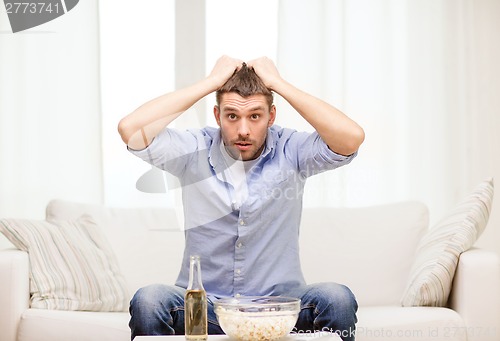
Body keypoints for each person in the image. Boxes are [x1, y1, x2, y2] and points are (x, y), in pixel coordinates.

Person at [118, 55, 365, 341]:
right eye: (232, 116)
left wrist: (278, 84)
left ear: (271, 116)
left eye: (255, 116)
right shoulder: (193, 149)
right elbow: (130, 129)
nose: (243, 130)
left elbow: (352, 137)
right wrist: (210, 83)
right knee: (149, 300)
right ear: (217, 115)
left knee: (337, 298)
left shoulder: (292, 150)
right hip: (204, 310)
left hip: (280, 310)